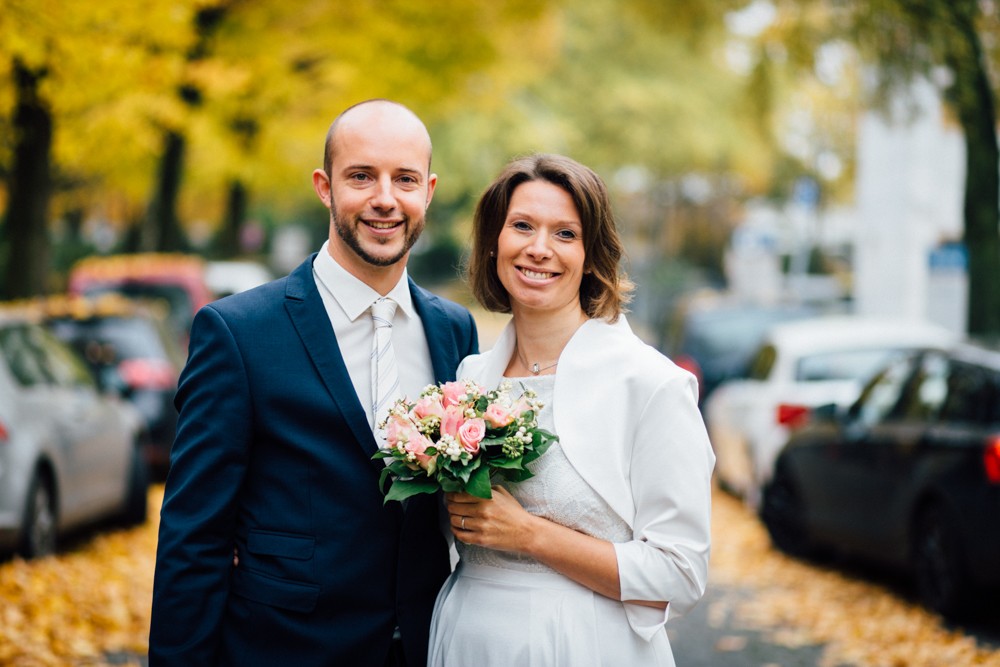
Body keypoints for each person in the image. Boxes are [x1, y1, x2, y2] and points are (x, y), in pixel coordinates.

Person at [148, 99, 478, 667]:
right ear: (325, 187)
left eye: (404, 179)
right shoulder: (238, 332)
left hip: (426, 649)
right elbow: (193, 537)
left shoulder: (454, 330)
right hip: (282, 649)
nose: (384, 198)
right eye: (361, 176)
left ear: (428, 191)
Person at [428, 153, 715, 666]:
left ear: (591, 256)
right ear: (495, 240)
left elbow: (682, 573)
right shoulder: (470, 380)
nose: (540, 249)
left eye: (565, 234)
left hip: (588, 646)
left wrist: (531, 535)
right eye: (522, 226)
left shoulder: (650, 384)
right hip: (467, 639)